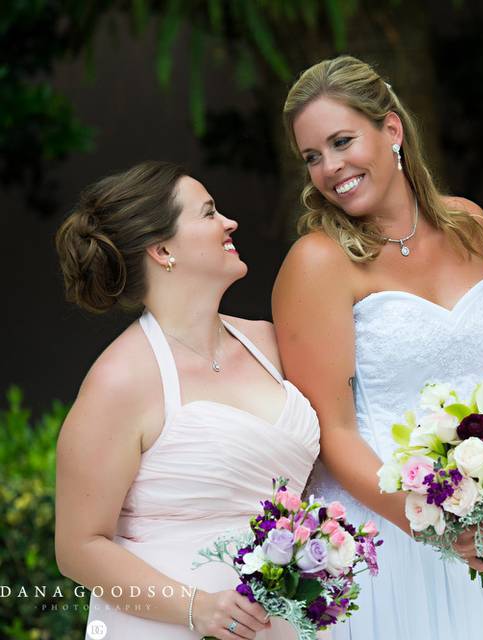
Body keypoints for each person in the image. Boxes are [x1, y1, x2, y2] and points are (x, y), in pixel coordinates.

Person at [272, 56, 483, 639]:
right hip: (379, 525)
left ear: (391, 129)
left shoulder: (470, 226)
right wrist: (429, 519)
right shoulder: (318, 262)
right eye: (312, 156)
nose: (330, 169)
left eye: (341, 142)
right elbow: (331, 433)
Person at [54, 162, 320, 639]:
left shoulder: (271, 343)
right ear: (162, 250)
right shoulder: (120, 380)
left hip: (282, 621)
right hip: (170, 626)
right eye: (209, 213)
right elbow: (78, 548)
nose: (229, 223)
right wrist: (197, 609)